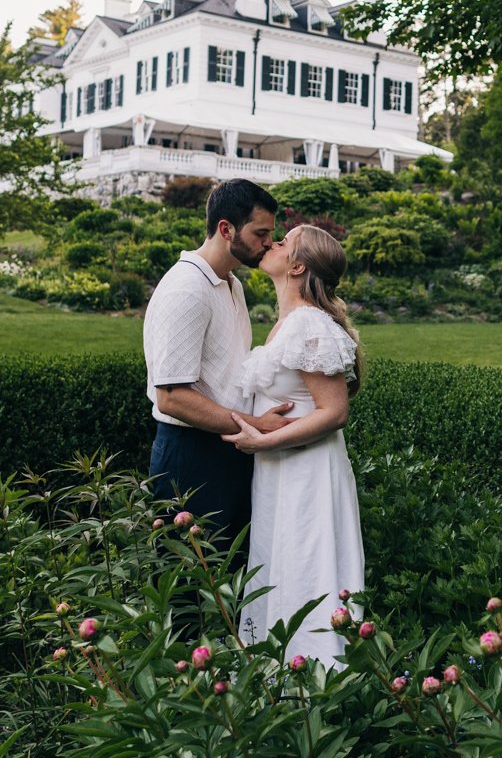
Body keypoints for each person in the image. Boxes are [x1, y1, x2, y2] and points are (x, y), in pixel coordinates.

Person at [223, 224, 366, 666]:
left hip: (307, 473)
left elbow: (334, 412)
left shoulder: (307, 323)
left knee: (306, 563)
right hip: (281, 472)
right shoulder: (288, 322)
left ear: (298, 265)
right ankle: (278, 673)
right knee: (280, 560)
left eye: (282, 241)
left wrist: (261, 442)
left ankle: (317, 675)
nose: (271, 244)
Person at [143, 179, 293, 550]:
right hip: (191, 456)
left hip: (228, 447)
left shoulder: (231, 284)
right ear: (226, 229)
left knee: (229, 584)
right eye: (260, 233)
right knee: (189, 588)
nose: (269, 243)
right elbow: (173, 397)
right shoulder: (185, 289)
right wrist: (258, 427)